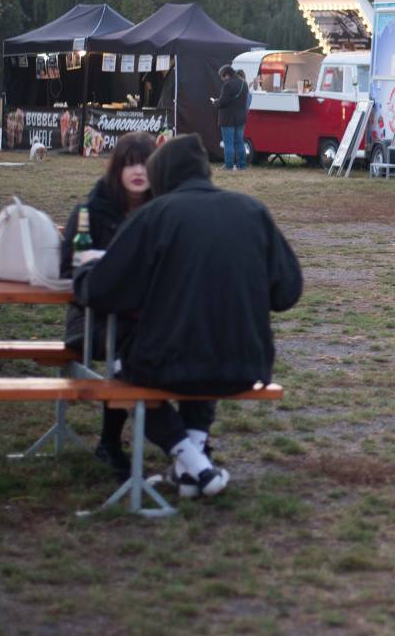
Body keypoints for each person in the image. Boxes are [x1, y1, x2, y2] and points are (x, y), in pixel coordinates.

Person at [72, 134, 303, 498]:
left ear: (160, 177)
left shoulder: (153, 216)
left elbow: (104, 292)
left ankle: (194, 464)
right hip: (247, 364)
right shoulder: (252, 211)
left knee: (123, 374)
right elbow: (288, 292)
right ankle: (193, 471)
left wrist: (84, 272)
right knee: (202, 353)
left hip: (167, 362)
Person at [60, 131, 159, 481]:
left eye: (145, 164)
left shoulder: (161, 212)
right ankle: (111, 442)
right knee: (130, 346)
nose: (137, 171)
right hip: (91, 321)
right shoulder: (90, 212)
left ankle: (189, 439)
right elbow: (68, 272)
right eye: (129, 164)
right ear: (116, 168)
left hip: (146, 320)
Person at [215, 65, 248, 170]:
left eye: (222, 76)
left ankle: (229, 165)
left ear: (227, 75)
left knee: (228, 143)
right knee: (240, 142)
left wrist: (216, 102)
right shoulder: (244, 84)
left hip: (228, 118)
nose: (222, 79)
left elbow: (223, 102)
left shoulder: (227, 85)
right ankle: (242, 165)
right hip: (241, 118)